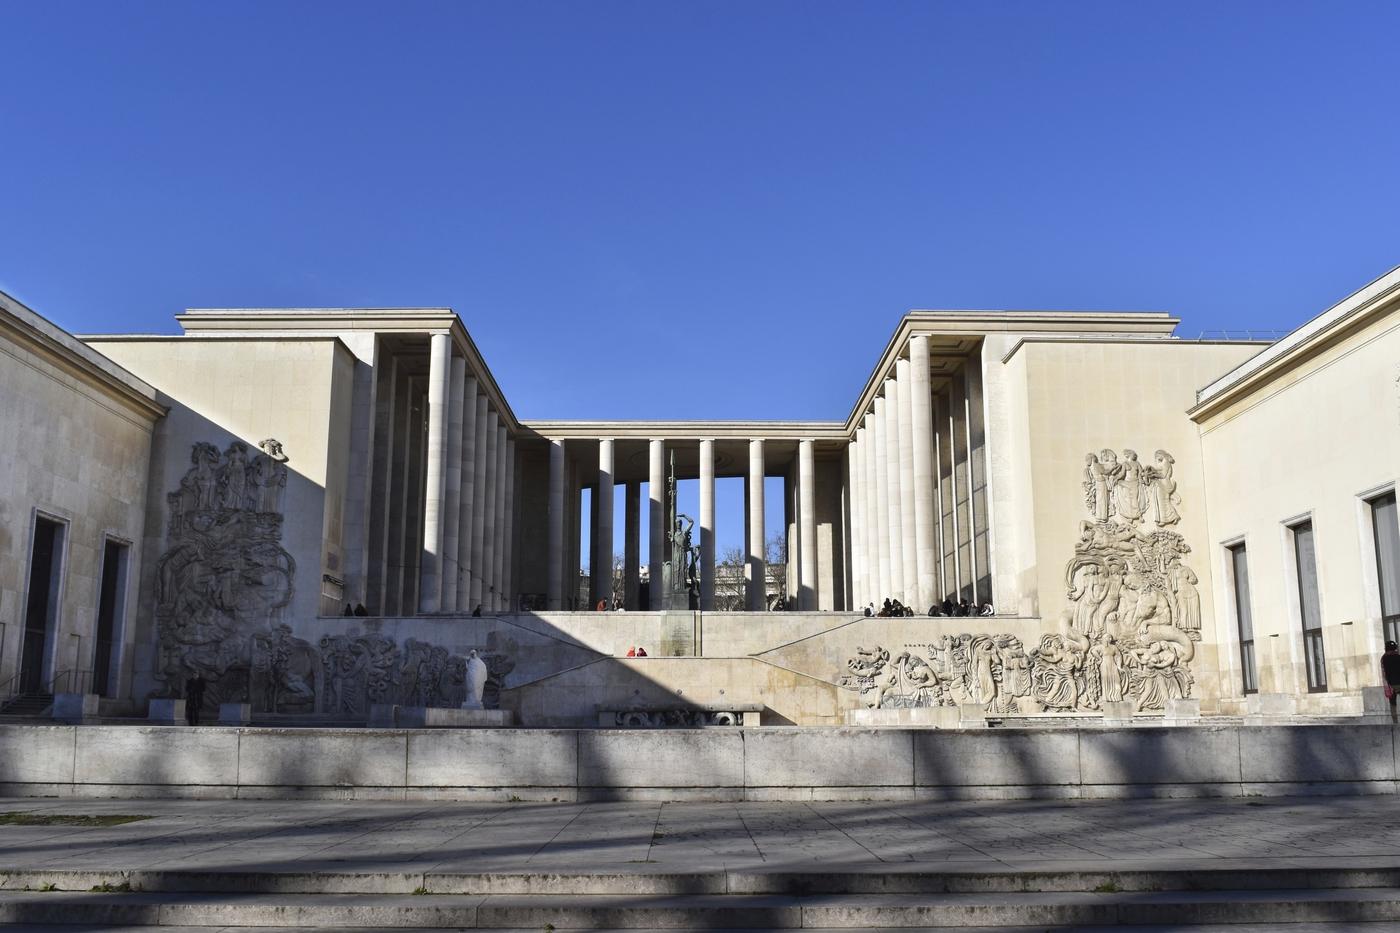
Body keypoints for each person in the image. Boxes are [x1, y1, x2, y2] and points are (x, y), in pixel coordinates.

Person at [1382, 641, 1400, 723]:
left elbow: (1384, 673)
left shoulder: (1384, 658)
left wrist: (1386, 685)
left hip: (1391, 684)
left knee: (1393, 704)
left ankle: (1395, 723)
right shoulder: (1398, 657)